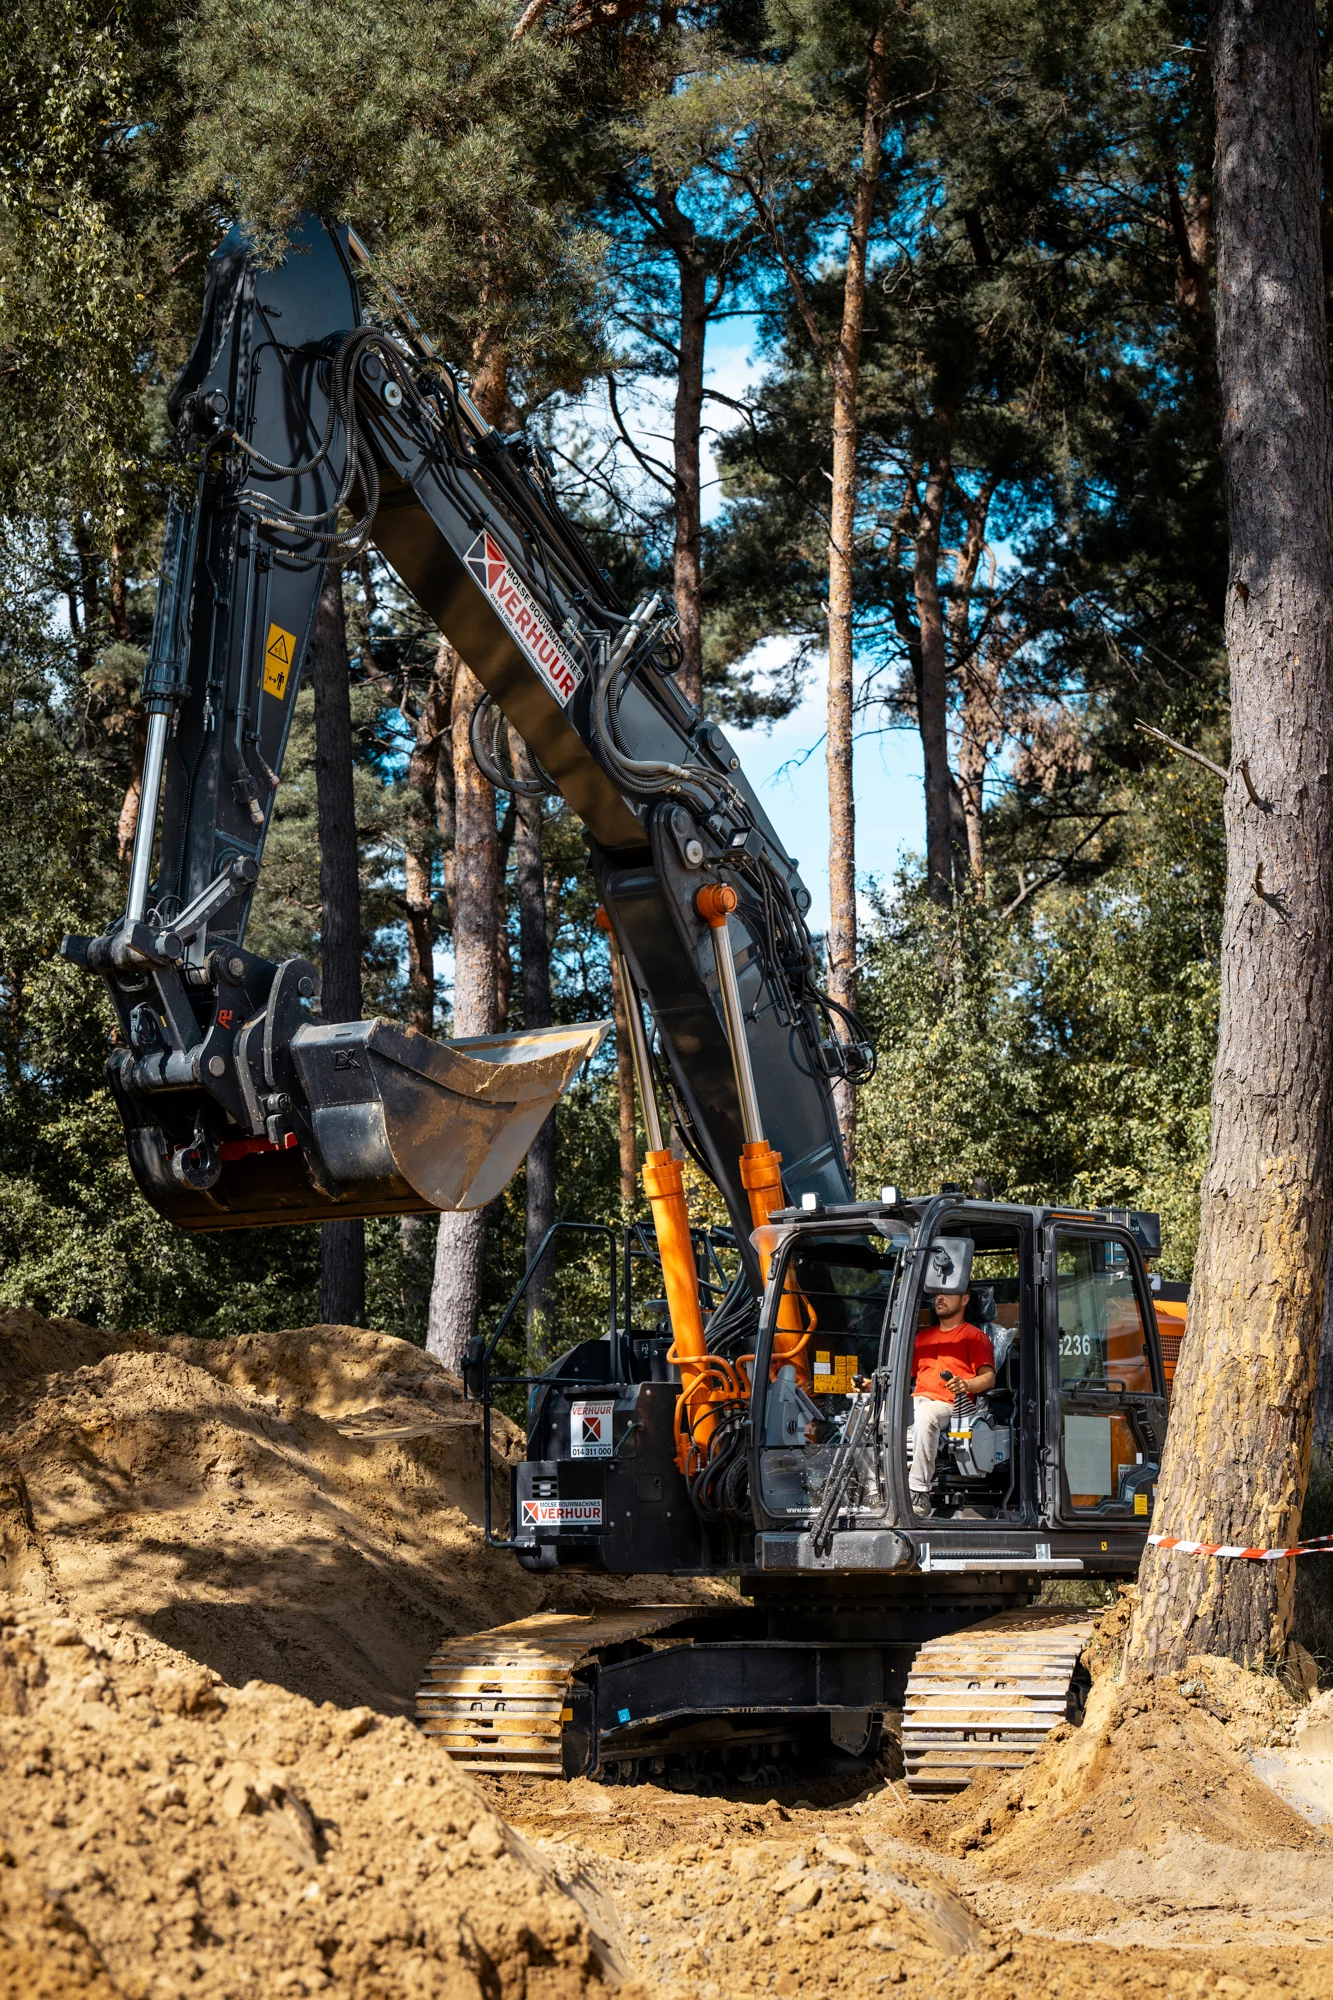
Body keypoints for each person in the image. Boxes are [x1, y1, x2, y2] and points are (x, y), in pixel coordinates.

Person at [909, 1288, 995, 1518]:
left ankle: (918, 1492)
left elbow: (988, 1377)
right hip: (918, 1401)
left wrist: (965, 1385)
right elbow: (903, 1376)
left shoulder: (974, 1337)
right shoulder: (922, 1338)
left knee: (926, 1415)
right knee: (866, 1411)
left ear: (965, 1299)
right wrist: (871, 1385)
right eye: (937, 1294)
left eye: (947, 1294)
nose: (939, 1298)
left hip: (951, 1405)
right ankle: (872, 1488)